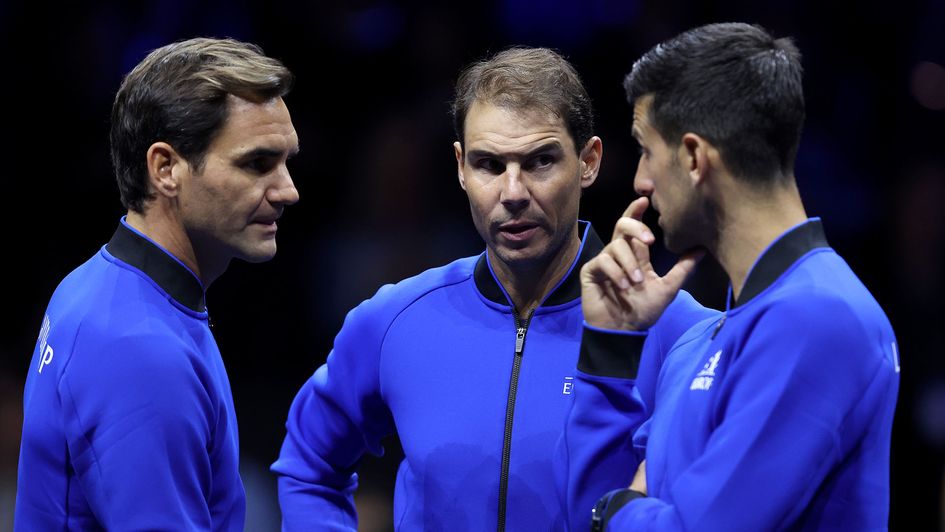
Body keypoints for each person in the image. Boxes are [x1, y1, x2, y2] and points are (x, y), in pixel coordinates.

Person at [272, 47, 715, 531]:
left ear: (589, 162)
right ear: (460, 167)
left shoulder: (682, 335)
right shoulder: (394, 319)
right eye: (489, 164)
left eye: (541, 161)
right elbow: (308, 467)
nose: (513, 193)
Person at [561, 22, 900, 531]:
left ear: (695, 158)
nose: (640, 181)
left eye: (645, 150)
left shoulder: (819, 317)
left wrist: (619, 511)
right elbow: (588, 512)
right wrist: (610, 345)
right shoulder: (698, 343)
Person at [15, 38, 299, 530]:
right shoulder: (139, 349)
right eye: (257, 163)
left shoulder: (99, 284)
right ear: (165, 168)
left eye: (286, 161)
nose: (287, 190)